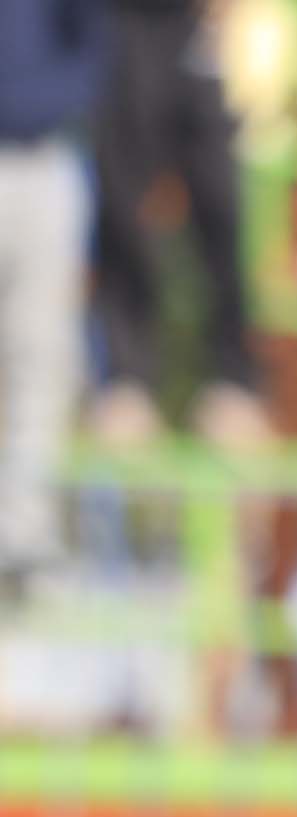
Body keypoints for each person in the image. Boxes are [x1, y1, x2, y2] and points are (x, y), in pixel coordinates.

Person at [81, 0, 264, 453]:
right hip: (124, 29)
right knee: (124, 213)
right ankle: (128, 381)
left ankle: (235, 382)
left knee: (222, 211)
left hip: (202, 27)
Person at [0, 0, 78, 602]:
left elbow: (90, 43)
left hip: (39, 150)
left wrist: (46, 100)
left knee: (39, 357)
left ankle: (23, 542)